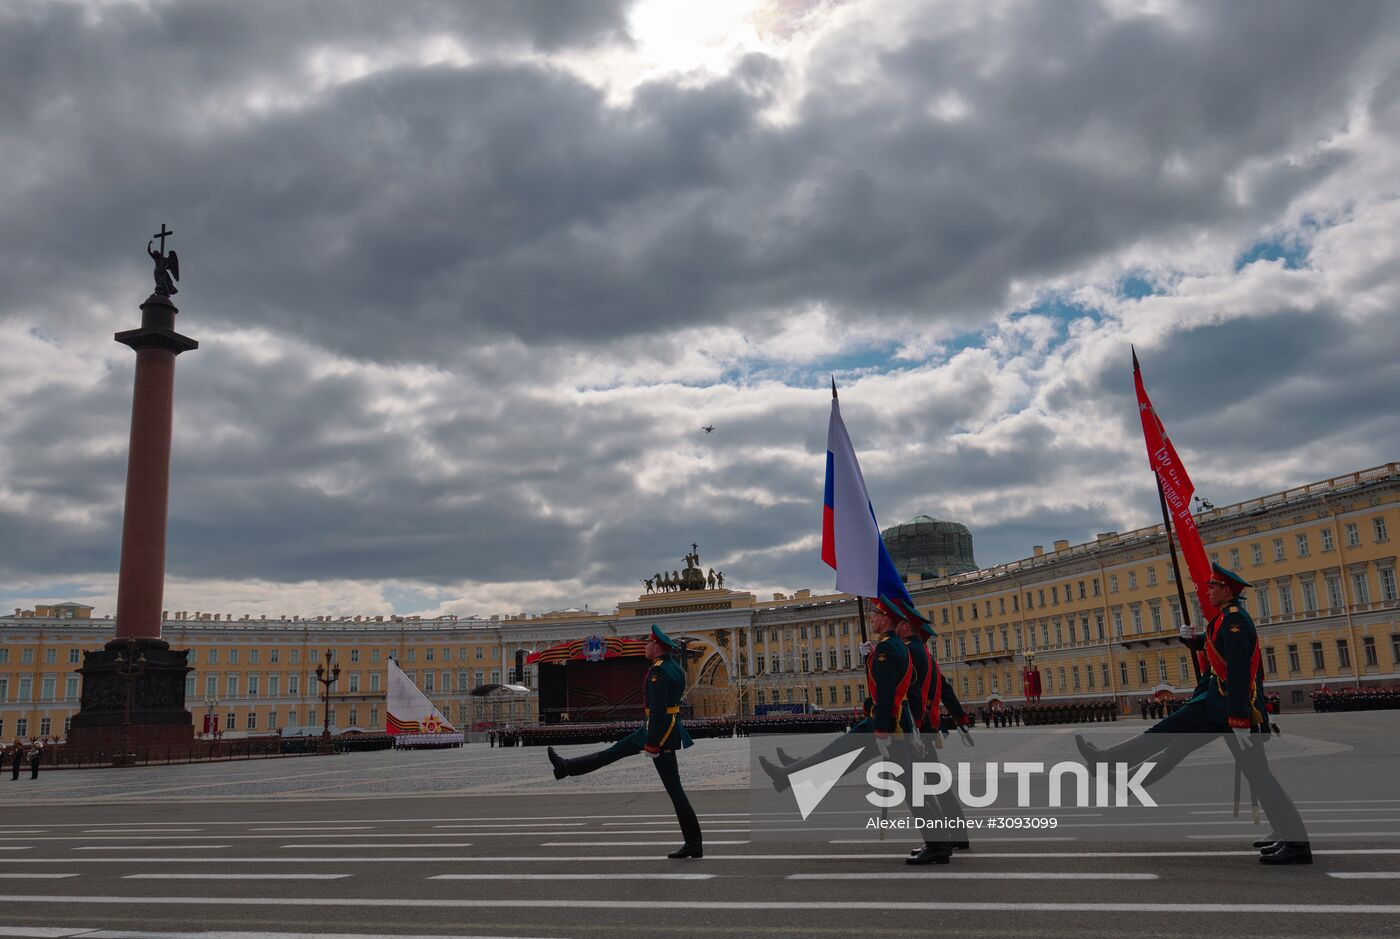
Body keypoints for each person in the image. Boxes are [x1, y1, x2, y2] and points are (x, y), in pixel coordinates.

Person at [1075, 564, 1311, 865]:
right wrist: (1194, 640)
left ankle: (1107, 760)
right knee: (1182, 748)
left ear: (1227, 590)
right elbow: (1220, 650)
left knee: (1171, 734)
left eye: (1213, 586)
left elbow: (1239, 671)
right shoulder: (1226, 619)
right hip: (1219, 707)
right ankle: (1287, 834)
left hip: (1225, 709)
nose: (1208, 590)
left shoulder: (1235, 620)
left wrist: (1239, 719)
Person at [547, 625, 703, 859]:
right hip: (664, 730)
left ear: (657, 648)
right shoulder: (676, 667)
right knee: (614, 752)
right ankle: (565, 767)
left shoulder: (658, 672)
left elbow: (659, 711)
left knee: (674, 788)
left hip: (657, 732)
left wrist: (652, 743)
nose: (646, 647)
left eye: (649, 644)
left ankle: (694, 843)